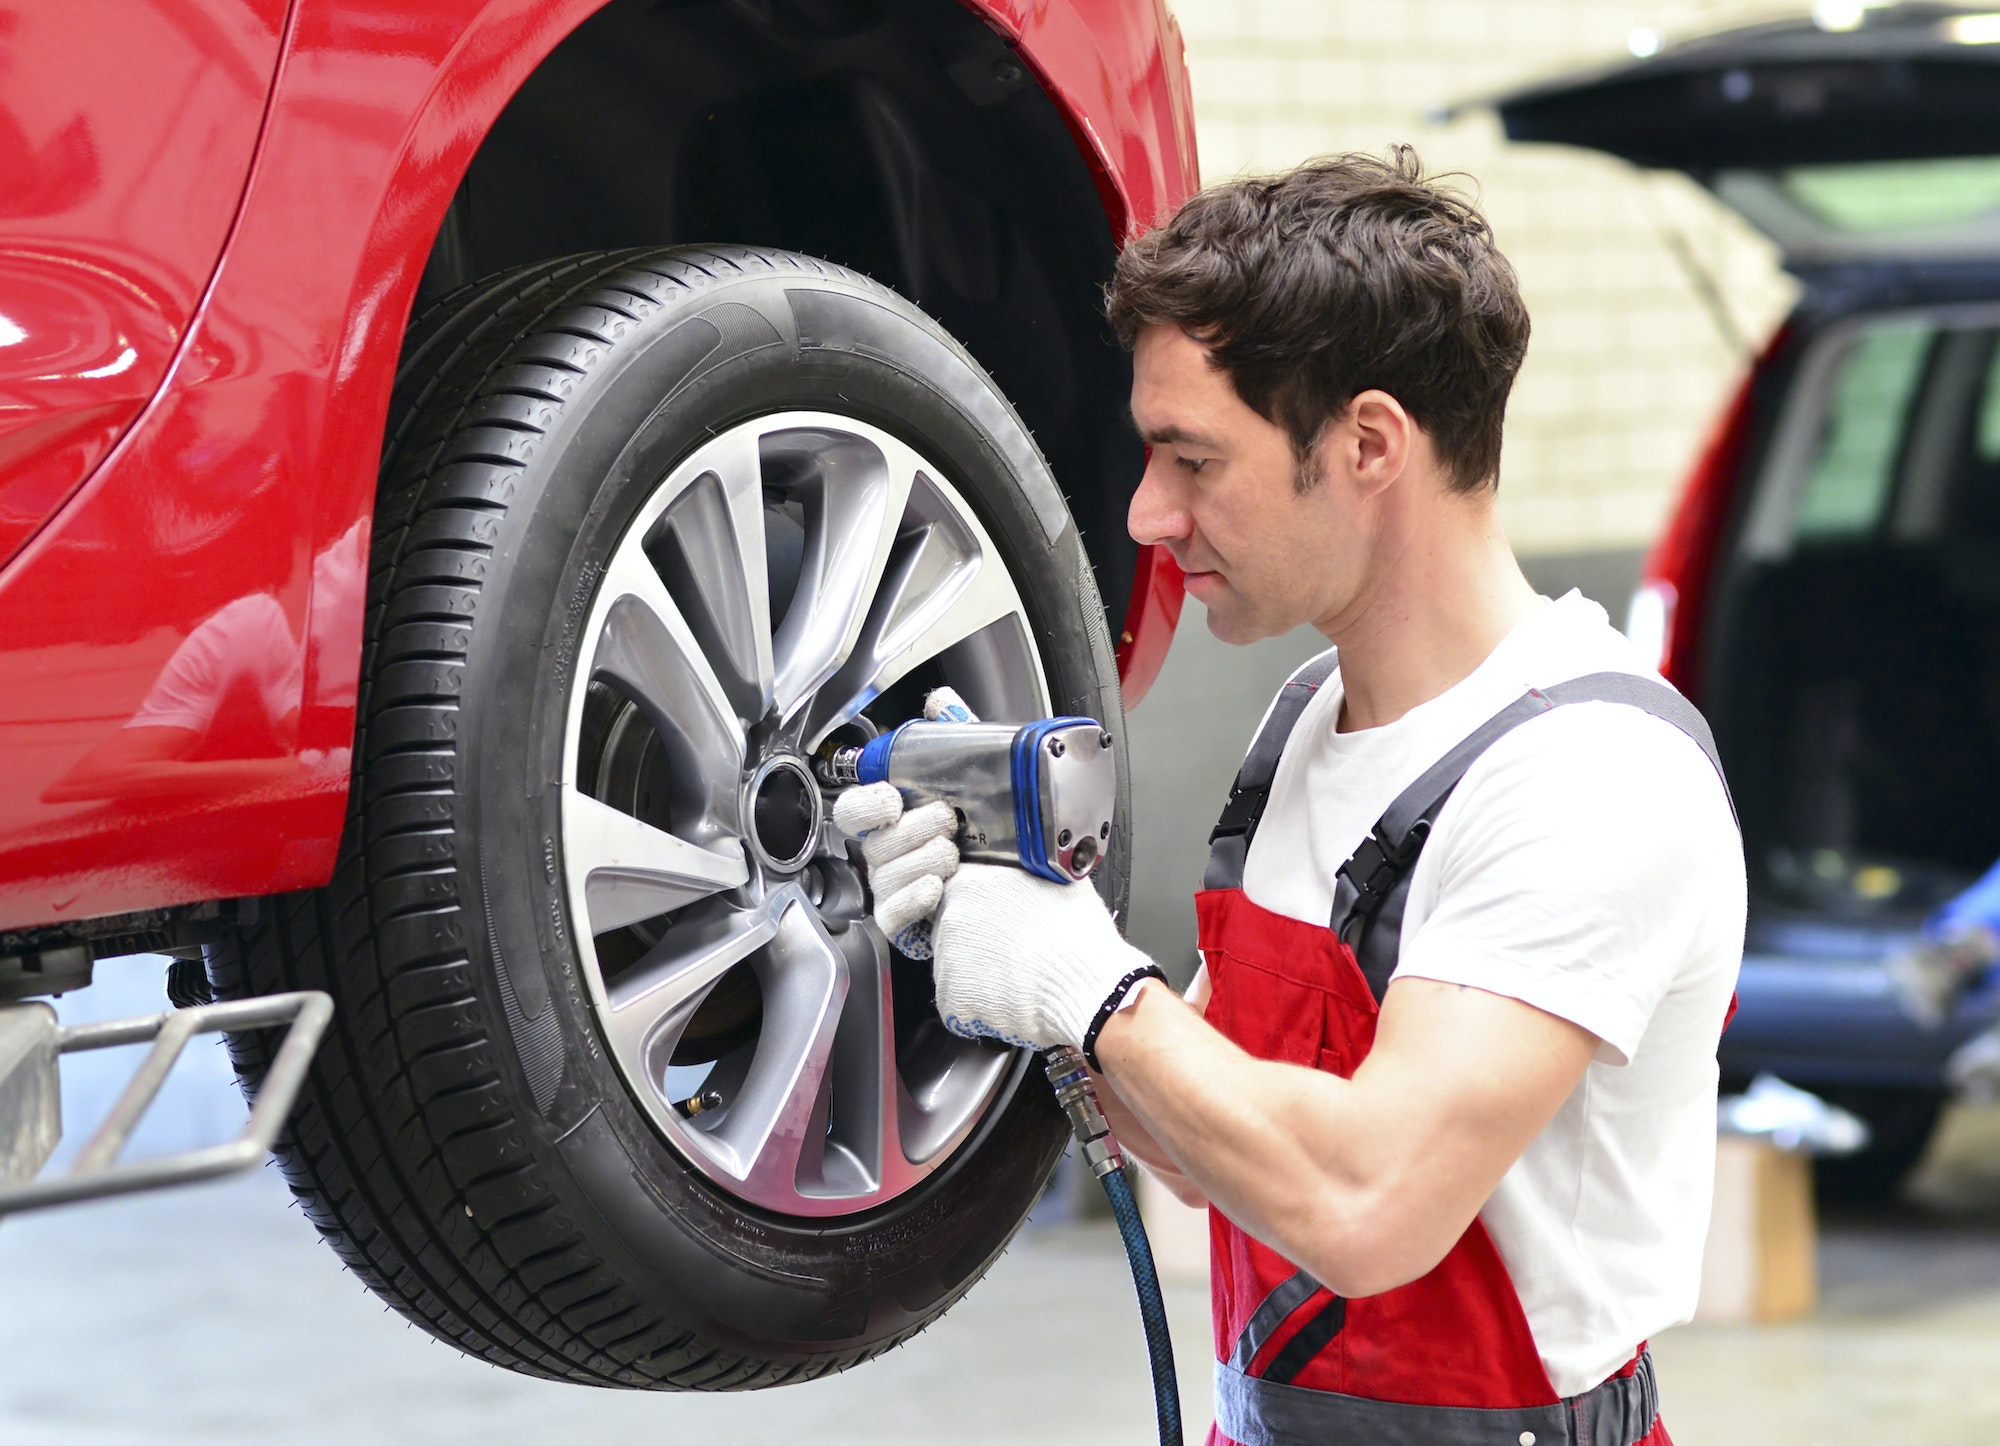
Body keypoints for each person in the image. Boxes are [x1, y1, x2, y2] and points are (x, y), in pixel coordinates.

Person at [839, 148, 1743, 1446]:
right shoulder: (1307, 719)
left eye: (1192, 458)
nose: (1148, 512)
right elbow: (1214, 1148)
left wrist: (1091, 985)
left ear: (1369, 444)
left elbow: (1368, 1204)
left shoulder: (1589, 776)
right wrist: (999, 954)